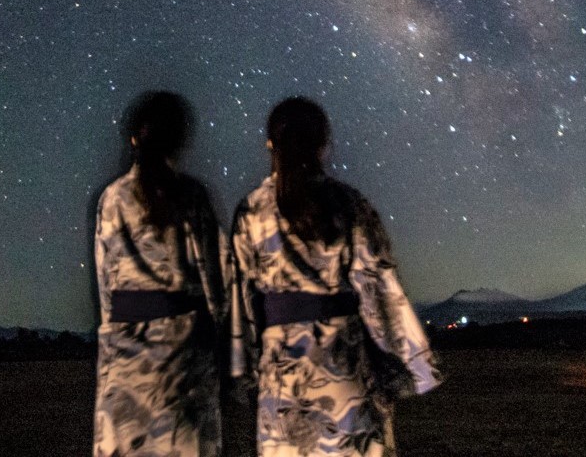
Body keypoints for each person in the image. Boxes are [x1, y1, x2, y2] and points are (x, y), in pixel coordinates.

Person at [231, 97, 441, 457]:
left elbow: (241, 298)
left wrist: (243, 369)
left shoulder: (250, 211)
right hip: (345, 372)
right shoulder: (349, 203)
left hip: (282, 383)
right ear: (322, 144)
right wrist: (408, 365)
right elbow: (378, 288)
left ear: (271, 144)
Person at [93, 91, 228, 457]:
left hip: (126, 354)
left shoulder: (111, 199)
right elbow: (216, 278)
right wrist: (221, 335)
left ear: (134, 137)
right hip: (182, 354)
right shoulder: (192, 196)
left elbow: (107, 283)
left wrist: (114, 333)